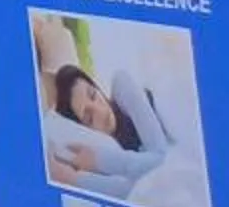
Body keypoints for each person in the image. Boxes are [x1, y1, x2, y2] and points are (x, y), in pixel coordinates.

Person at [46, 63, 174, 198]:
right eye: (88, 117)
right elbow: (133, 192)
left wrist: (99, 160)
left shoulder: (121, 85)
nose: (100, 112)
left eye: (93, 94)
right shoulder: (110, 150)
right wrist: (71, 178)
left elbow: (161, 160)